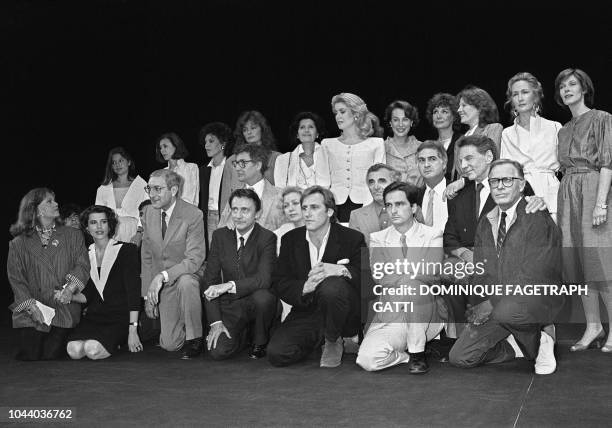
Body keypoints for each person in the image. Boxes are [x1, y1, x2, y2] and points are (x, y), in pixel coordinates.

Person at [449, 160, 561, 375]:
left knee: (507, 311)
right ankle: (515, 346)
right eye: (494, 181)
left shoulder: (536, 218)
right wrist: (479, 302)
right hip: (499, 302)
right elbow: (481, 270)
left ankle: (543, 338)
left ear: (521, 185)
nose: (499, 186)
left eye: (507, 180)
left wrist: (491, 303)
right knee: (460, 357)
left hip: (533, 299)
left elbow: (534, 276)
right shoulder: (487, 222)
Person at [268, 186, 366, 368]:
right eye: (304, 208)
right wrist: (304, 287)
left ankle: (333, 339)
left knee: (331, 286)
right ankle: (324, 337)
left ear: (329, 211)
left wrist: (339, 269)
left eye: (314, 208)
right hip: (307, 311)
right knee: (278, 354)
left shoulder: (352, 238)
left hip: (344, 310)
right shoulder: (291, 239)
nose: (307, 213)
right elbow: (279, 281)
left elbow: (366, 279)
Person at [357, 182, 444, 374]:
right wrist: (414, 272)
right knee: (367, 360)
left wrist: (400, 273)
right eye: (389, 205)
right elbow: (380, 277)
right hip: (393, 315)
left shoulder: (432, 234)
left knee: (414, 287)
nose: (393, 210)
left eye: (399, 204)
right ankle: (405, 357)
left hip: (425, 315)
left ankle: (418, 354)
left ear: (413, 207)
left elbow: (432, 273)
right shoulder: (378, 238)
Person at [554, 68, 612, 353]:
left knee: (601, 263)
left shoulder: (602, 119)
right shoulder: (563, 129)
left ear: (584, 88)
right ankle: (593, 326)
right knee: (579, 264)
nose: (567, 89)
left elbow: (607, 163)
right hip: (568, 193)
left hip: (592, 190)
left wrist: (600, 203)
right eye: (562, 86)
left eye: (572, 84)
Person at [7, 188, 90, 360]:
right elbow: (16, 279)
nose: (57, 204)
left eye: (55, 200)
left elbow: (82, 266)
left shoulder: (73, 235)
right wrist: (31, 306)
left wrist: (69, 290)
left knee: (51, 356)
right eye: (50, 201)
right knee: (31, 356)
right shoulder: (18, 243)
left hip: (63, 306)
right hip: (33, 309)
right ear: (37, 210)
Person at [202, 189, 278, 360]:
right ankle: (243, 334)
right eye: (234, 209)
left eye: (245, 210)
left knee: (263, 297)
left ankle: (259, 340)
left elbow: (264, 279)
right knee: (218, 351)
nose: (238, 215)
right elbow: (210, 280)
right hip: (231, 305)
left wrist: (229, 285)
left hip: (257, 301)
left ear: (257, 213)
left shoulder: (267, 238)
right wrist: (216, 322)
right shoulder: (220, 235)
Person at [141, 169, 206, 359]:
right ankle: (190, 319)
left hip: (189, 274)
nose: (152, 194)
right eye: (149, 188)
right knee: (170, 344)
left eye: (158, 189)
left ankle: (196, 338)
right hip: (164, 282)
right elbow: (147, 256)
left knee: (187, 283)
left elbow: (194, 260)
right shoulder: (148, 213)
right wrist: (147, 296)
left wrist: (162, 276)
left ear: (174, 190)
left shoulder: (193, 214)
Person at [66, 205, 142, 359]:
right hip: (95, 316)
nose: (99, 227)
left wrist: (132, 330)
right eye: (93, 223)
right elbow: (88, 295)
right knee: (73, 350)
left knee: (92, 350)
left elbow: (133, 293)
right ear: (87, 228)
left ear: (110, 225)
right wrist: (69, 296)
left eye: (103, 222)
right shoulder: (86, 254)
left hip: (120, 317)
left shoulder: (127, 250)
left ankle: (119, 341)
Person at [501, 72, 562, 222]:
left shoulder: (554, 127)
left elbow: (565, 167)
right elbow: (506, 170)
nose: (520, 98)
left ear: (535, 96)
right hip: (521, 194)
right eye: (515, 94)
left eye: (525, 92)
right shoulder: (507, 133)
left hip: (552, 193)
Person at [322, 93, 385, 223]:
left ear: (356, 113)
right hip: (334, 207)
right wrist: (326, 209)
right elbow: (323, 181)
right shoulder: (327, 144)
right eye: (336, 113)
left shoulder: (376, 143)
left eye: (342, 111)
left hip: (366, 204)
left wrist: (370, 207)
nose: (338, 116)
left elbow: (379, 180)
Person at [445, 86, 504, 198]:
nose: (459, 110)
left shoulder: (493, 129)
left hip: (487, 193)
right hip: (465, 196)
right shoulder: (460, 140)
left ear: (480, 107)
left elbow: (493, 163)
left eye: (464, 105)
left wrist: (464, 182)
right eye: (459, 106)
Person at [220, 111, 281, 213]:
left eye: (253, 128)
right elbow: (225, 198)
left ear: (262, 129)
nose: (249, 132)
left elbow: (282, 194)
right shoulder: (231, 161)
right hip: (238, 217)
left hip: (269, 216)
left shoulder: (277, 158)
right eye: (245, 130)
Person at [218, 144, 285, 232]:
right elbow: (220, 230)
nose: (237, 168)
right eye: (236, 163)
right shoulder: (234, 196)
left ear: (258, 165)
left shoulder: (280, 196)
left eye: (242, 163)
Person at [95, 147, 149, 242]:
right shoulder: (103, 188)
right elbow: (98, 215)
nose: (117, 165)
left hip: (134, 233)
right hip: (110, 234)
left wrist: (139, 233)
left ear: (128, 162)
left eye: (120, 161)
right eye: (114, 162)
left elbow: (146, 211)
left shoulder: (141, 185)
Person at [198, 122, 234, 249]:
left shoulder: (231, 166)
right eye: (205, 142)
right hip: (208, 218)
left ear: (223, 144)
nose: (206, 145)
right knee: (213, 257)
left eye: (211, 141)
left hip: (228, 216)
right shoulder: (203, 170)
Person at [274, 111, 330, 189]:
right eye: (302, 127)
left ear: (317, 133)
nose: (306, 130)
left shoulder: (328, 156)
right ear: (297, 134)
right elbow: (279, 190)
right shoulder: (283, 160)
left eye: (311, 127)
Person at [273, 186, 306, 321]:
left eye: (295, 203)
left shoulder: (320, 228)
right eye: (286, 205)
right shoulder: (279, 234)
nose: (290, 209)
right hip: (291, 289)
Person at [348, 163, 400, 246]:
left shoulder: (410, 211)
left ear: (395, 184)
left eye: (382, 181)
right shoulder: (356, 216)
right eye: (371, 182)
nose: (376, 187)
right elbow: (356, 252)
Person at [383, 100, 423, 186]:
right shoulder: (381, 147)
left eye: (405, 119)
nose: (400, 124)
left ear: (411, 122)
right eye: (396, 120)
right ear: (390, 122)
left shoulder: (422, 147)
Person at [425, 93, 463, 181]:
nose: (438, 116)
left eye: (444, 112)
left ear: (454, 116)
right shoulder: (429, 145)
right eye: (435, 112)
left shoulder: (462, 141)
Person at [155, 132, 199, 206]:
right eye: (160, 148)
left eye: (165, 146)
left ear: (176, 146)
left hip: (185, 214)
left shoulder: (191, 168)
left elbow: (190, 199)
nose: (162, 150)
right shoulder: (163, 172)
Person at [417, 141, 449, 233]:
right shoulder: (415, 196)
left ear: (444, 163)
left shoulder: (458, 193)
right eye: (422, 160)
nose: (426, 165)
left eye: (432, 159)